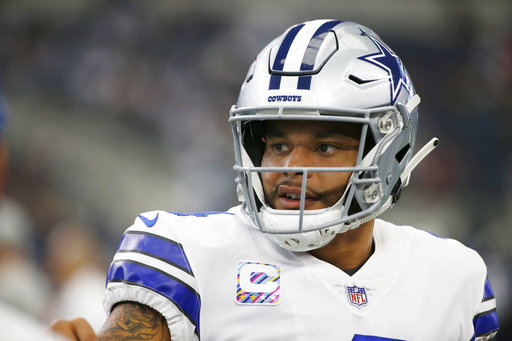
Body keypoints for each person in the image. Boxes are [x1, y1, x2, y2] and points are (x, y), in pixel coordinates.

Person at [50, 19, 499, 340]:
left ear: (389, 151)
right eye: (278, 144)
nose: (290, 165)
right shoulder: (185, 252)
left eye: (324, 147)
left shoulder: (452, 278)